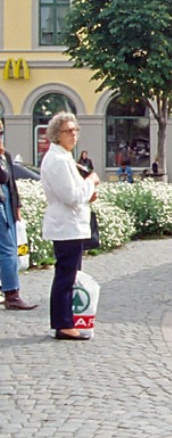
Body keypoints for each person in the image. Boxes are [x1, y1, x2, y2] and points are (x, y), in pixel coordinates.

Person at [41, 112, 99, 340]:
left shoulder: (63, 157)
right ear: (57, 134)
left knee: (69, 274)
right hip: (66, 225)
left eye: (76, 130)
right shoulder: (57, 159)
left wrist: (87, 194)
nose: (74, 134)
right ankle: (63, 323)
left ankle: (66, 320)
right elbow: (71, 196)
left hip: (71, 223)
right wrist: (90, 182)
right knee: (65, 275)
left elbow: (76, 195)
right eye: (68, 131)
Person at [0, 122, 36, 311]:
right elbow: (2, 177)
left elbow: (12, 183)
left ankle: (9, 289)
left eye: (1, 131)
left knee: (11, 248)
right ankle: (11, 294)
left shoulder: (5, 155)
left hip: (8, 204)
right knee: (7, 251)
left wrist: (18, 207)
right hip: (1, 207)